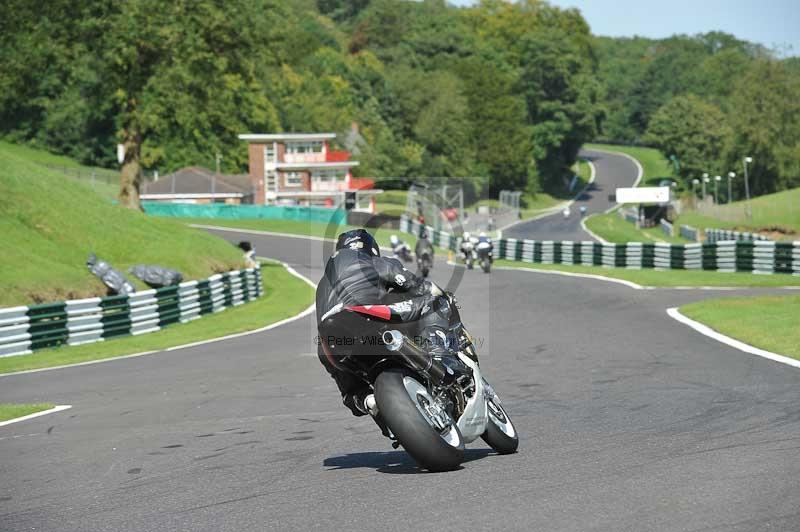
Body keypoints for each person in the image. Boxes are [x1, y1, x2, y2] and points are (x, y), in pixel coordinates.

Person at [315, 229, 459, 419]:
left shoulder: (322, 285)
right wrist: (442, 294)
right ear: (371, 249)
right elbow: (417, 286)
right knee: (435, 302)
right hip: (369, 320)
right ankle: (440, 357)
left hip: (331, 344)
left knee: (351, 389)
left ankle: (366, 400)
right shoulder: (374, 261)